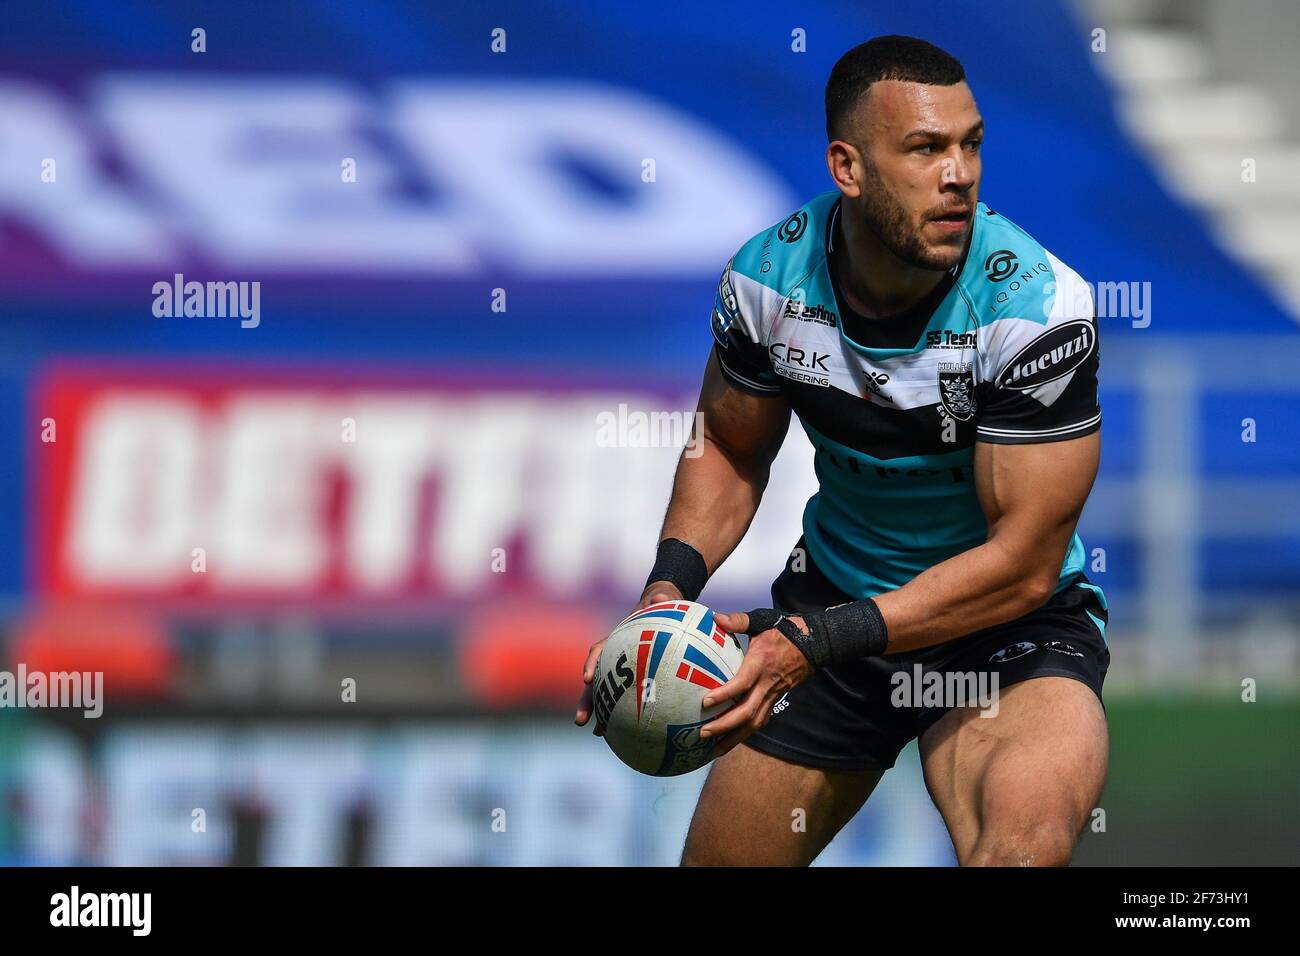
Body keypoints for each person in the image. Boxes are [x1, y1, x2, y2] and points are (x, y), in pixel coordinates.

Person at [577, 34, 1109, 867]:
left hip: (1003, 629)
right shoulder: (767, 282)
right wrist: (666, 594)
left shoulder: (1036, 308)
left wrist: (819, 640)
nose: (960, 175)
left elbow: (1024, 564)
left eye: (971, 144)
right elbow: (727, 444)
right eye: (927, 148)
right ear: (847, 167)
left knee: (1025, 842)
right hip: (832, 606)